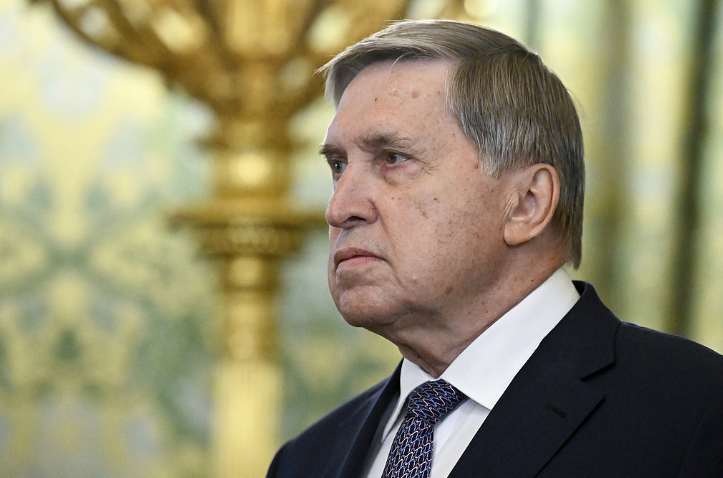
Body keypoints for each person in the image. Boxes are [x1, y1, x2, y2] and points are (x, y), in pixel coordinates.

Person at [266, 19, 723, 478]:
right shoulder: (304, 461)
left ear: (527, 204)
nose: (339, 208)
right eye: (338, 166)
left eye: (393, 158)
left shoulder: (696, 414)